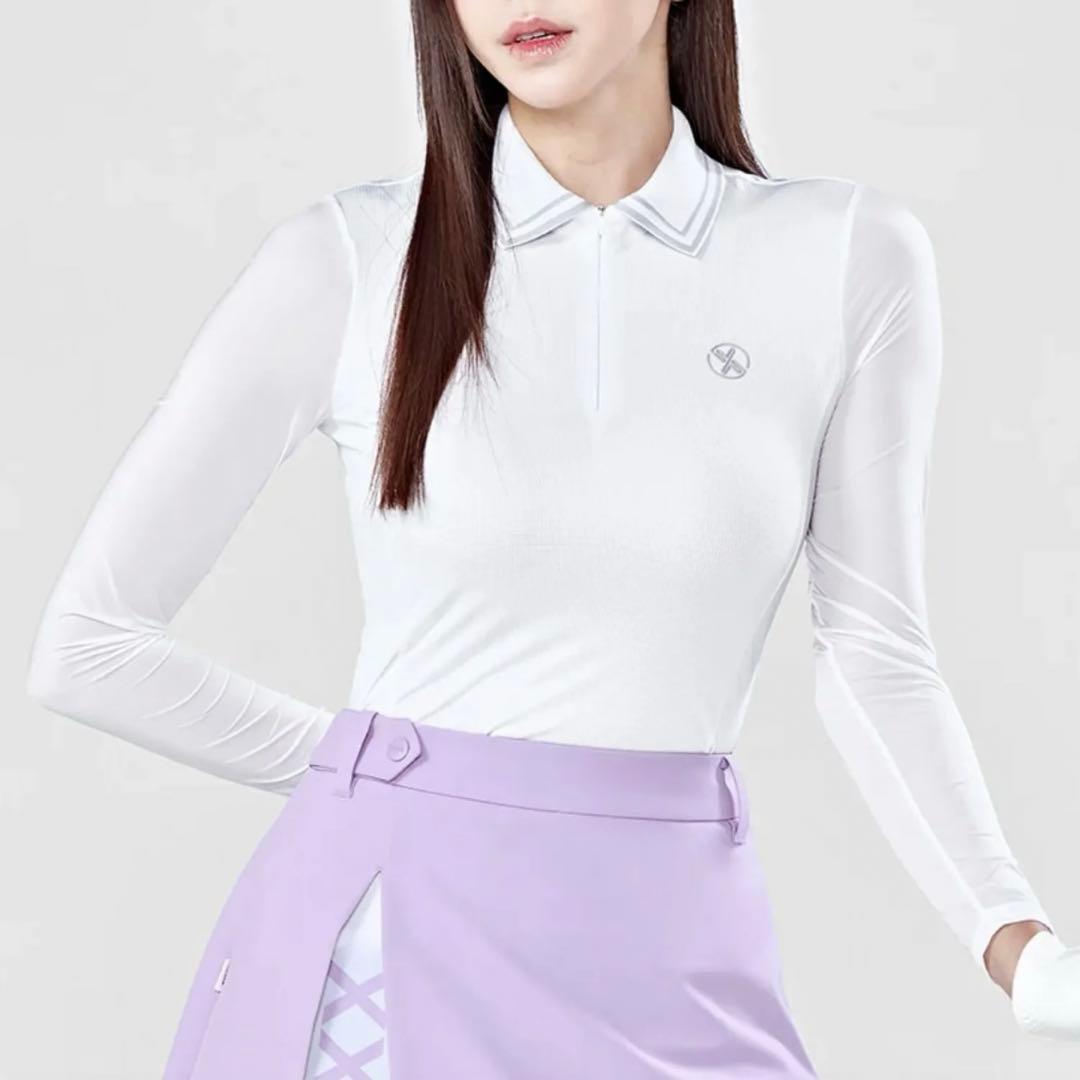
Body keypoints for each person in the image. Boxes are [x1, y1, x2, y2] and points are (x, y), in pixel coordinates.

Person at [25, 0, 1080, 1076]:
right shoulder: (351, 256)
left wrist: (1015, 939)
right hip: (391, 958)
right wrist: (399, 781)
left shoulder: (844, 255)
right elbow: (87, 644)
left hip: (678, 945)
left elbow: (872, 652)